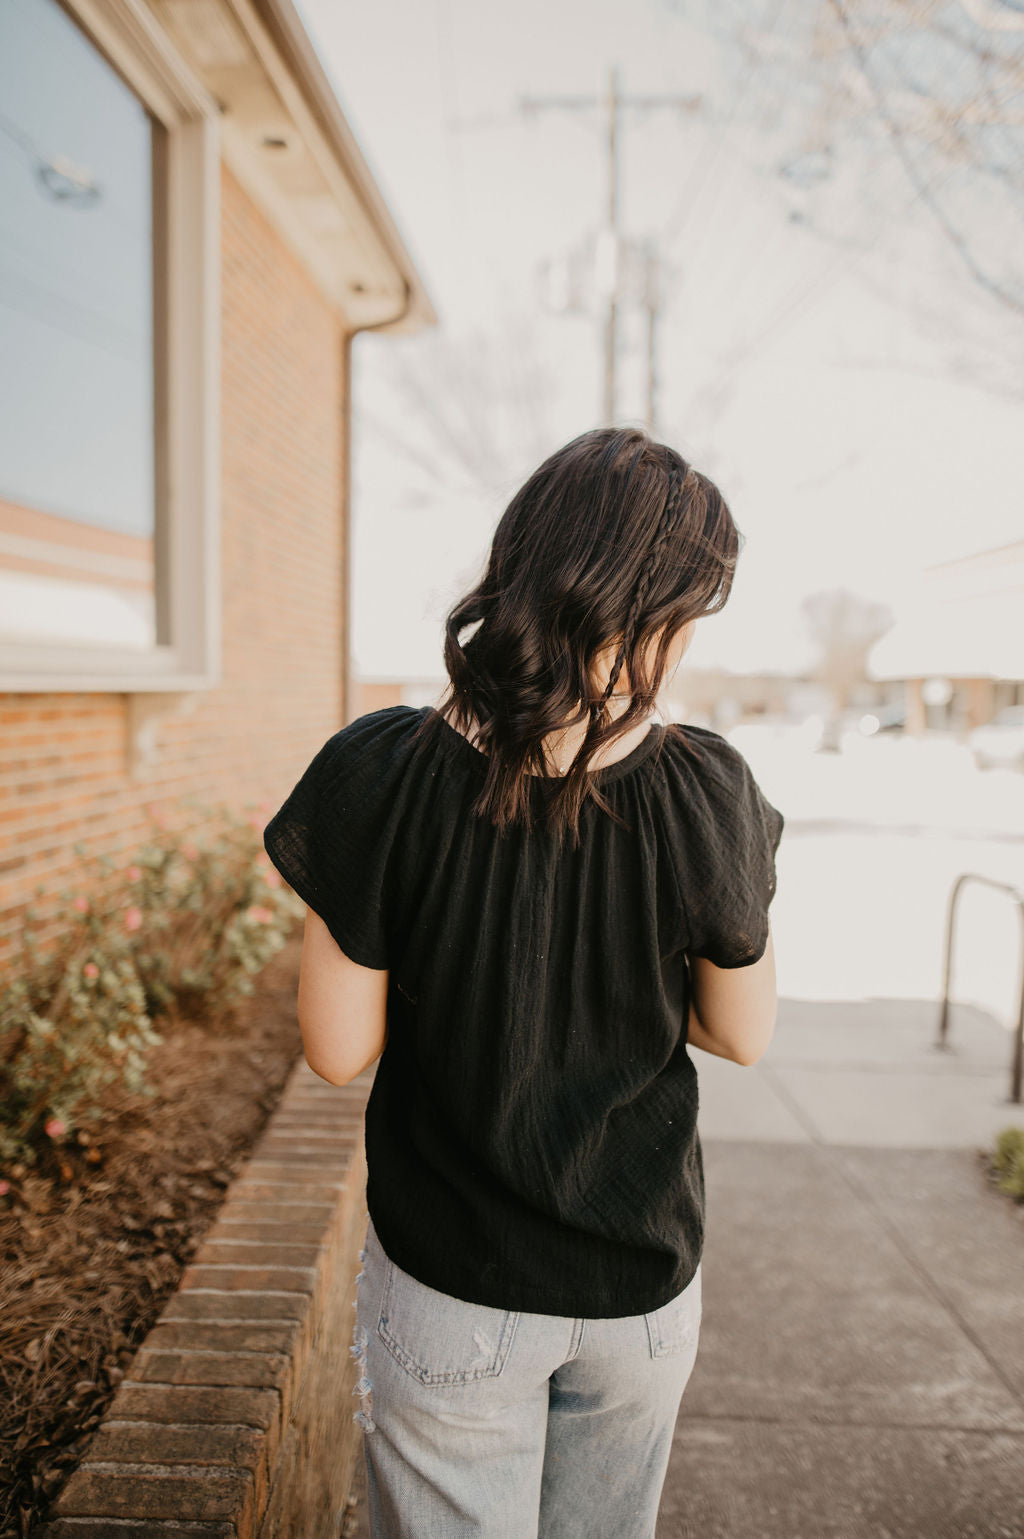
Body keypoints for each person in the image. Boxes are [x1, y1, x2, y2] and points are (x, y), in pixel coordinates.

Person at [262, 424, 785, 1539]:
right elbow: (741, 1032)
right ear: (656, 612)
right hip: (638, 1287)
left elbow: (338, 1048)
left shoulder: (380, 771)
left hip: (453, 1279)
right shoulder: (709, 790)